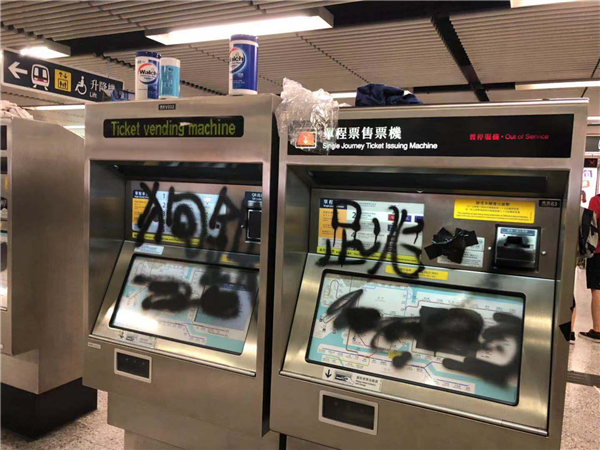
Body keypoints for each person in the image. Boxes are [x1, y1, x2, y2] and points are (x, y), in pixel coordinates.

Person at [582, 192, 600, 343]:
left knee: (597, 288)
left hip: (598, 252)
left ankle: (597, 329)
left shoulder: (597, 201)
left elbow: (590, 225)